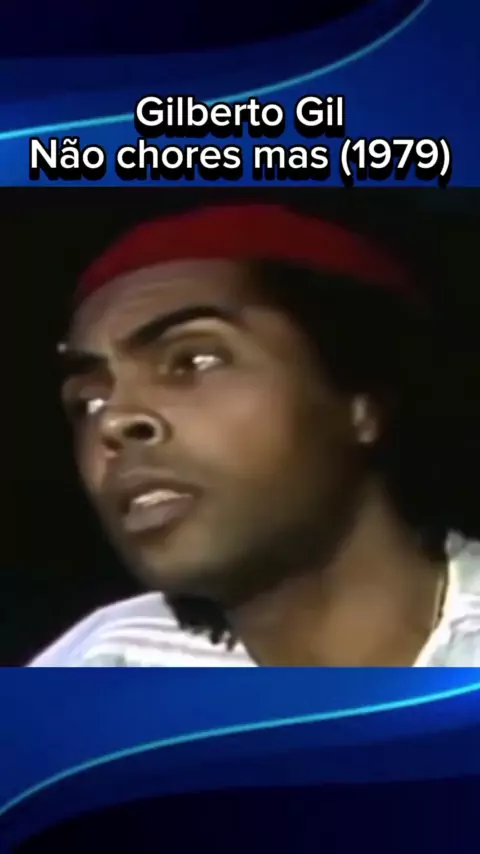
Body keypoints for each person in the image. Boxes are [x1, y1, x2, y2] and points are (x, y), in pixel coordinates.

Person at [30, 202, 480, 667]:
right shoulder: (101, 664)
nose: (113, 420)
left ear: (361, 398)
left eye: (193, 361)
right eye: (88, 401)